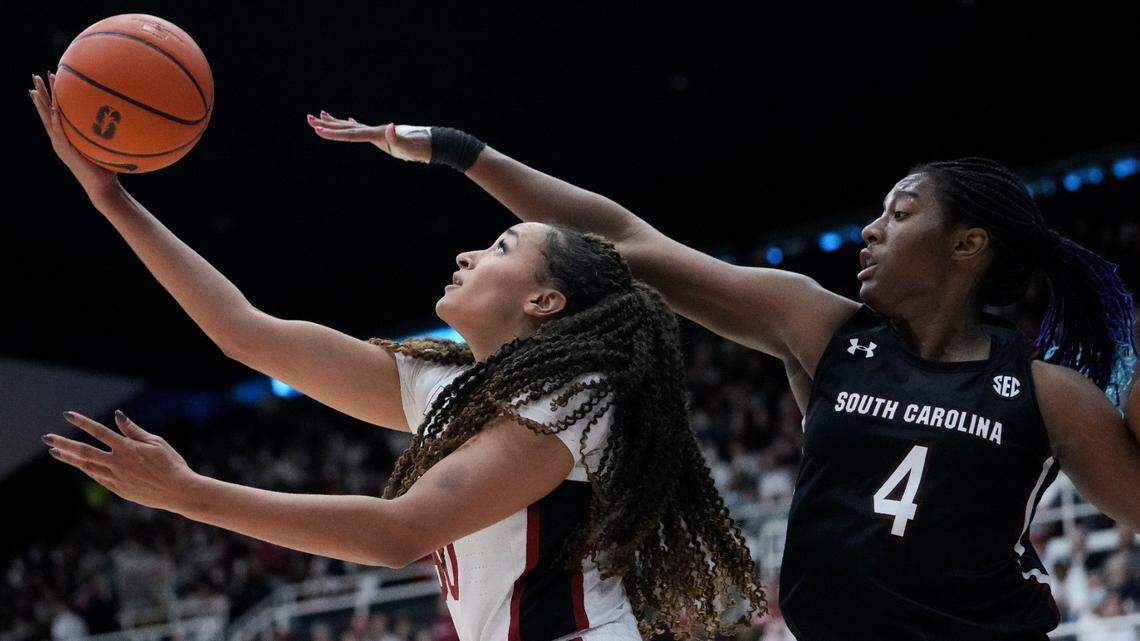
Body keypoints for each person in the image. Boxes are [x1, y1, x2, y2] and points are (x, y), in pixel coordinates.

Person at [310, 112, 1140, 641]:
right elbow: (623, 237)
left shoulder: (1046, 392)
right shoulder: (821, 328)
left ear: (968, 246)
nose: (870, 228)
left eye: (900, 213)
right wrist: (464, 152)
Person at [29, 73, 765, 641]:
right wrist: (110, 197)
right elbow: (242, 331)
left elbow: (398, 533)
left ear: (544, 302)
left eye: (502, 247)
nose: (469, 252)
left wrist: (190, 492)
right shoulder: (446, 385)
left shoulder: (578, 394)